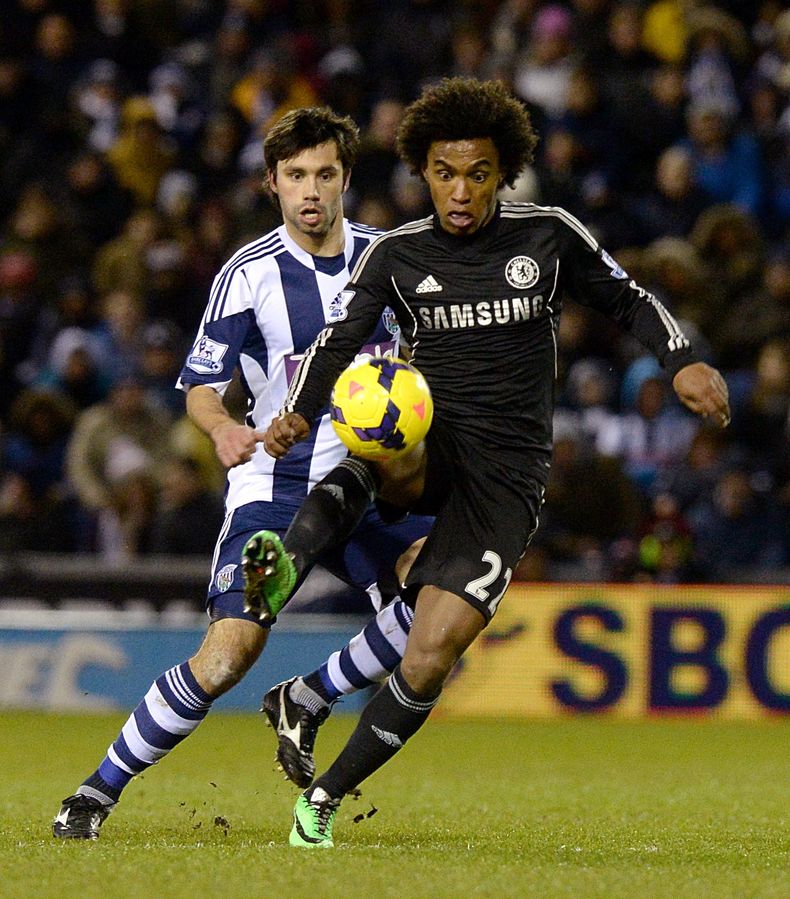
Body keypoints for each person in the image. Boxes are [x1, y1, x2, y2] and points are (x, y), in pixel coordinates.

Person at [251, 77, 731, 848]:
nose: (462, 190)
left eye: (478, 173)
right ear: (423, 171)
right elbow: (338, 342)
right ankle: (286, 560)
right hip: (432, 437)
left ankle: (325, 797)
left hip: (506, 477)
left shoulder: (548, 234)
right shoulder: (401, 254)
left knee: (432, 651)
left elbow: (629, 298)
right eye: (445, 172)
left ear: (503, 172)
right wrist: (297, 413)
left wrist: (681, 360)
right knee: (388, 428)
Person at [52, 106, 431, 839]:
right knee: (229, 652)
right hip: (277, 491)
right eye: (295, 176)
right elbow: (199, 384)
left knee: (440, 595)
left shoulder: (390, 258)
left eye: (324, 174)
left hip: (370, 480)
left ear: (346, 178)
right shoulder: (247, 275)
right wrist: (225, 427)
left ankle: (310, 695)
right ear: (272, 185)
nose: (311, 190)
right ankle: (96, 791)